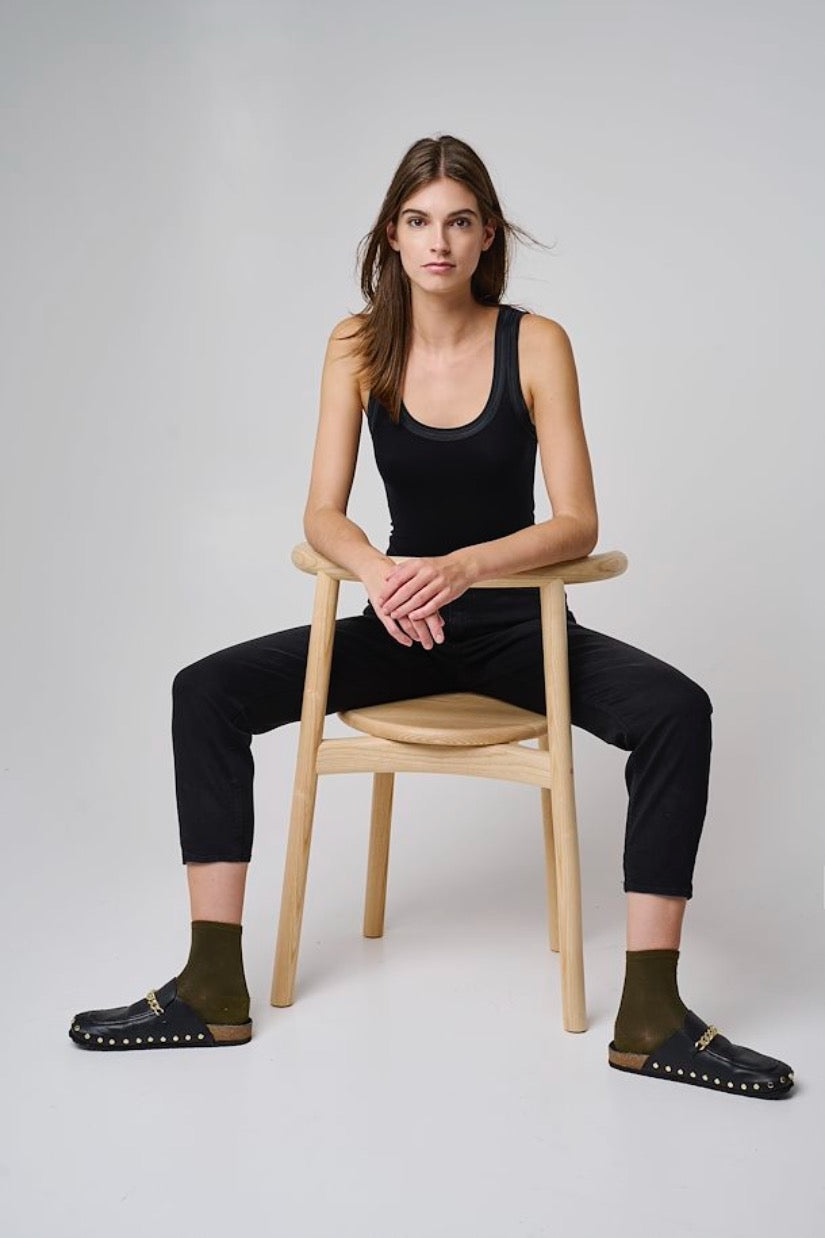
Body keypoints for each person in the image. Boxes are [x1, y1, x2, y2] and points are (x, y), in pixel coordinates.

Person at [69, 133, 795, 1098]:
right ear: (393, 235)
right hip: (400, 625)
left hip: (519, 631)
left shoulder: (534, 342)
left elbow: (577, 520)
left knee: (675, 710)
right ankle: (210, 988)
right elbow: (321, 512)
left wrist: (460, 568)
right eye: (418, 222)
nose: (438, 242)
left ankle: (651, 1014)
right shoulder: (355, 345)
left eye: (458, 222)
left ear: (487, 234)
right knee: (204, 692)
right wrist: (382, 575)